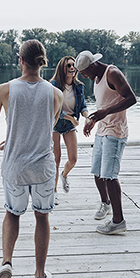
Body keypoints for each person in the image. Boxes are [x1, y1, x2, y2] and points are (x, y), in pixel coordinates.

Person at [0, 39, 63, 278]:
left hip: (15, 167)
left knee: (12, 213)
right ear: (41, 62)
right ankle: (40, 276)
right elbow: (44, 128)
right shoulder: (56, 94)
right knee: (42, 217)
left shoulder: (5, 89)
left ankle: (6, 262)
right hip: (43, 168)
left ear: (20, 60)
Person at [75, 50, 137, 235]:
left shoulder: (113, 73)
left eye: (84, 72)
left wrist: (105, 112)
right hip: (103, 130)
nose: (84, 76)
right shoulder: (96, 77)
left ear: (92, 66)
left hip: (115, 131)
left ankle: (118, 221)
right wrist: (93, 121)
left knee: (109, 176)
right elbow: (104, 104)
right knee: (98, 173)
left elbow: (131, 99)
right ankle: (106, 203)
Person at [50, 56, 89, 204]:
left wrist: (86, 116)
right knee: (56, 158)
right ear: (62, 68)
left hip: (69, 125)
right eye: (69, 66)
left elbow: (83, 105)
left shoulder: (78, 86)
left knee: (73, 159)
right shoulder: (54, 85)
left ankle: (64, 175)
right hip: (55, 123)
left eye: (73, 65)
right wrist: (71, 118)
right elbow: (54, 109)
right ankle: (53, 191)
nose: (72, 68)